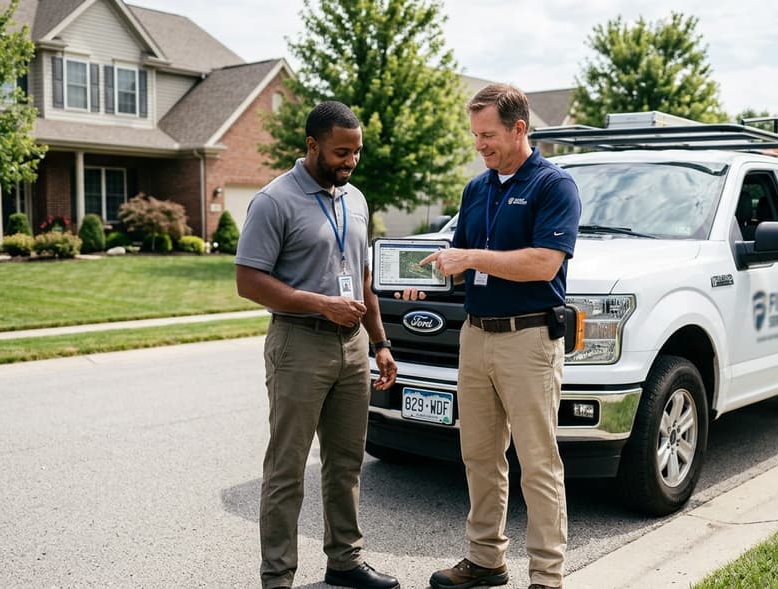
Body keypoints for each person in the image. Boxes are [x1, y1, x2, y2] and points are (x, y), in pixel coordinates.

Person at [399, 83, 580, 589]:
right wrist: (426, 280)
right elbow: (460, 262)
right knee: (479, 455)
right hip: (475, 336)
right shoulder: (476, 189)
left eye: (487, 135)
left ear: (519, 128)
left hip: (529, 340)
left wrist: (471, 258)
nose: (479, 145)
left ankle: (547, 576)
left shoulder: (553, 185)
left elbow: (544, 263)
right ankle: (485, 559)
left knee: (537, 463)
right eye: (475, 135)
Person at [236, 101, 400, 589]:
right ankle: (278, 577)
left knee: (346, 463)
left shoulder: (356, 199)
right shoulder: (274, 201)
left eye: (357, 151)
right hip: (298, 343)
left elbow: (364, 277)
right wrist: (320, 304)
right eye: (341, 152)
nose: (351, 161)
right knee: (286, 469)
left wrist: (380, 342)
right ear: (312, 145)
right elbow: (248, 281)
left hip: (352, 346)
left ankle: (345, 561)